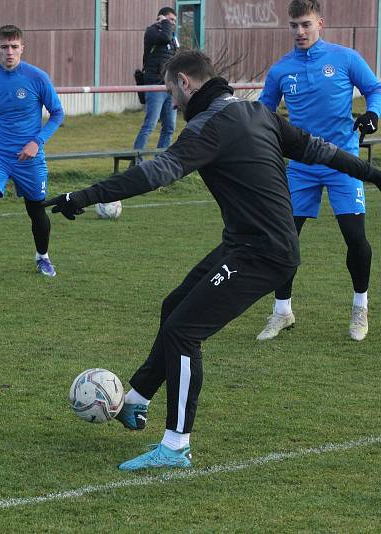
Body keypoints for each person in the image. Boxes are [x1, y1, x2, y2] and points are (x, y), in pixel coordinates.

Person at [44, 50, 381, 470]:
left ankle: (175, 445)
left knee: (185, 332)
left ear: (185, 83)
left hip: (264, 253)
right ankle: (136, 399)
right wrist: (375, 175)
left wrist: (85, 195)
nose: (172, 101)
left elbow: (155, 173)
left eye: (171, 90)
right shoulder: (256, 112)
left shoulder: (209, 127)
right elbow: (322, 150)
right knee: (174, 307)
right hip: (244, 245)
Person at [256, 0, 381, 342]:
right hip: (302, 167)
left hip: (343, 162)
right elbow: (264, 115)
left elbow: (375, 88)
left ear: (320, 24)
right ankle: (282, 312)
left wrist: (373, 114)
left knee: (355, 239)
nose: (300, 32)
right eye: (294, 25)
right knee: (285, 240)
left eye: (306, 25)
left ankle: (360, 308)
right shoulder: (281, 71)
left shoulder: (345, 58)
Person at [0, 24, 65, 282]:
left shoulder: (37, 77)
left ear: (22, 48)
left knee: (36, 209)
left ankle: (43, 257)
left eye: (14, 47)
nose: (10, 52)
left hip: (28, 157)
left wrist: (36, 142)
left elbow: (57, 113)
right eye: (4, 47)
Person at [132, 7, 179, 157]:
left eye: (174, 21)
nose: (173, 24)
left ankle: (160, 161)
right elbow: (164, 38)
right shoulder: (152, 32)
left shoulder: (172, 36)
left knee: (170, 127)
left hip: (170, 87)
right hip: (155, 85)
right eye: (170, 20)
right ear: (162, 18)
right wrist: (164, 23)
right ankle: (137, 160)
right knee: (150, 124)